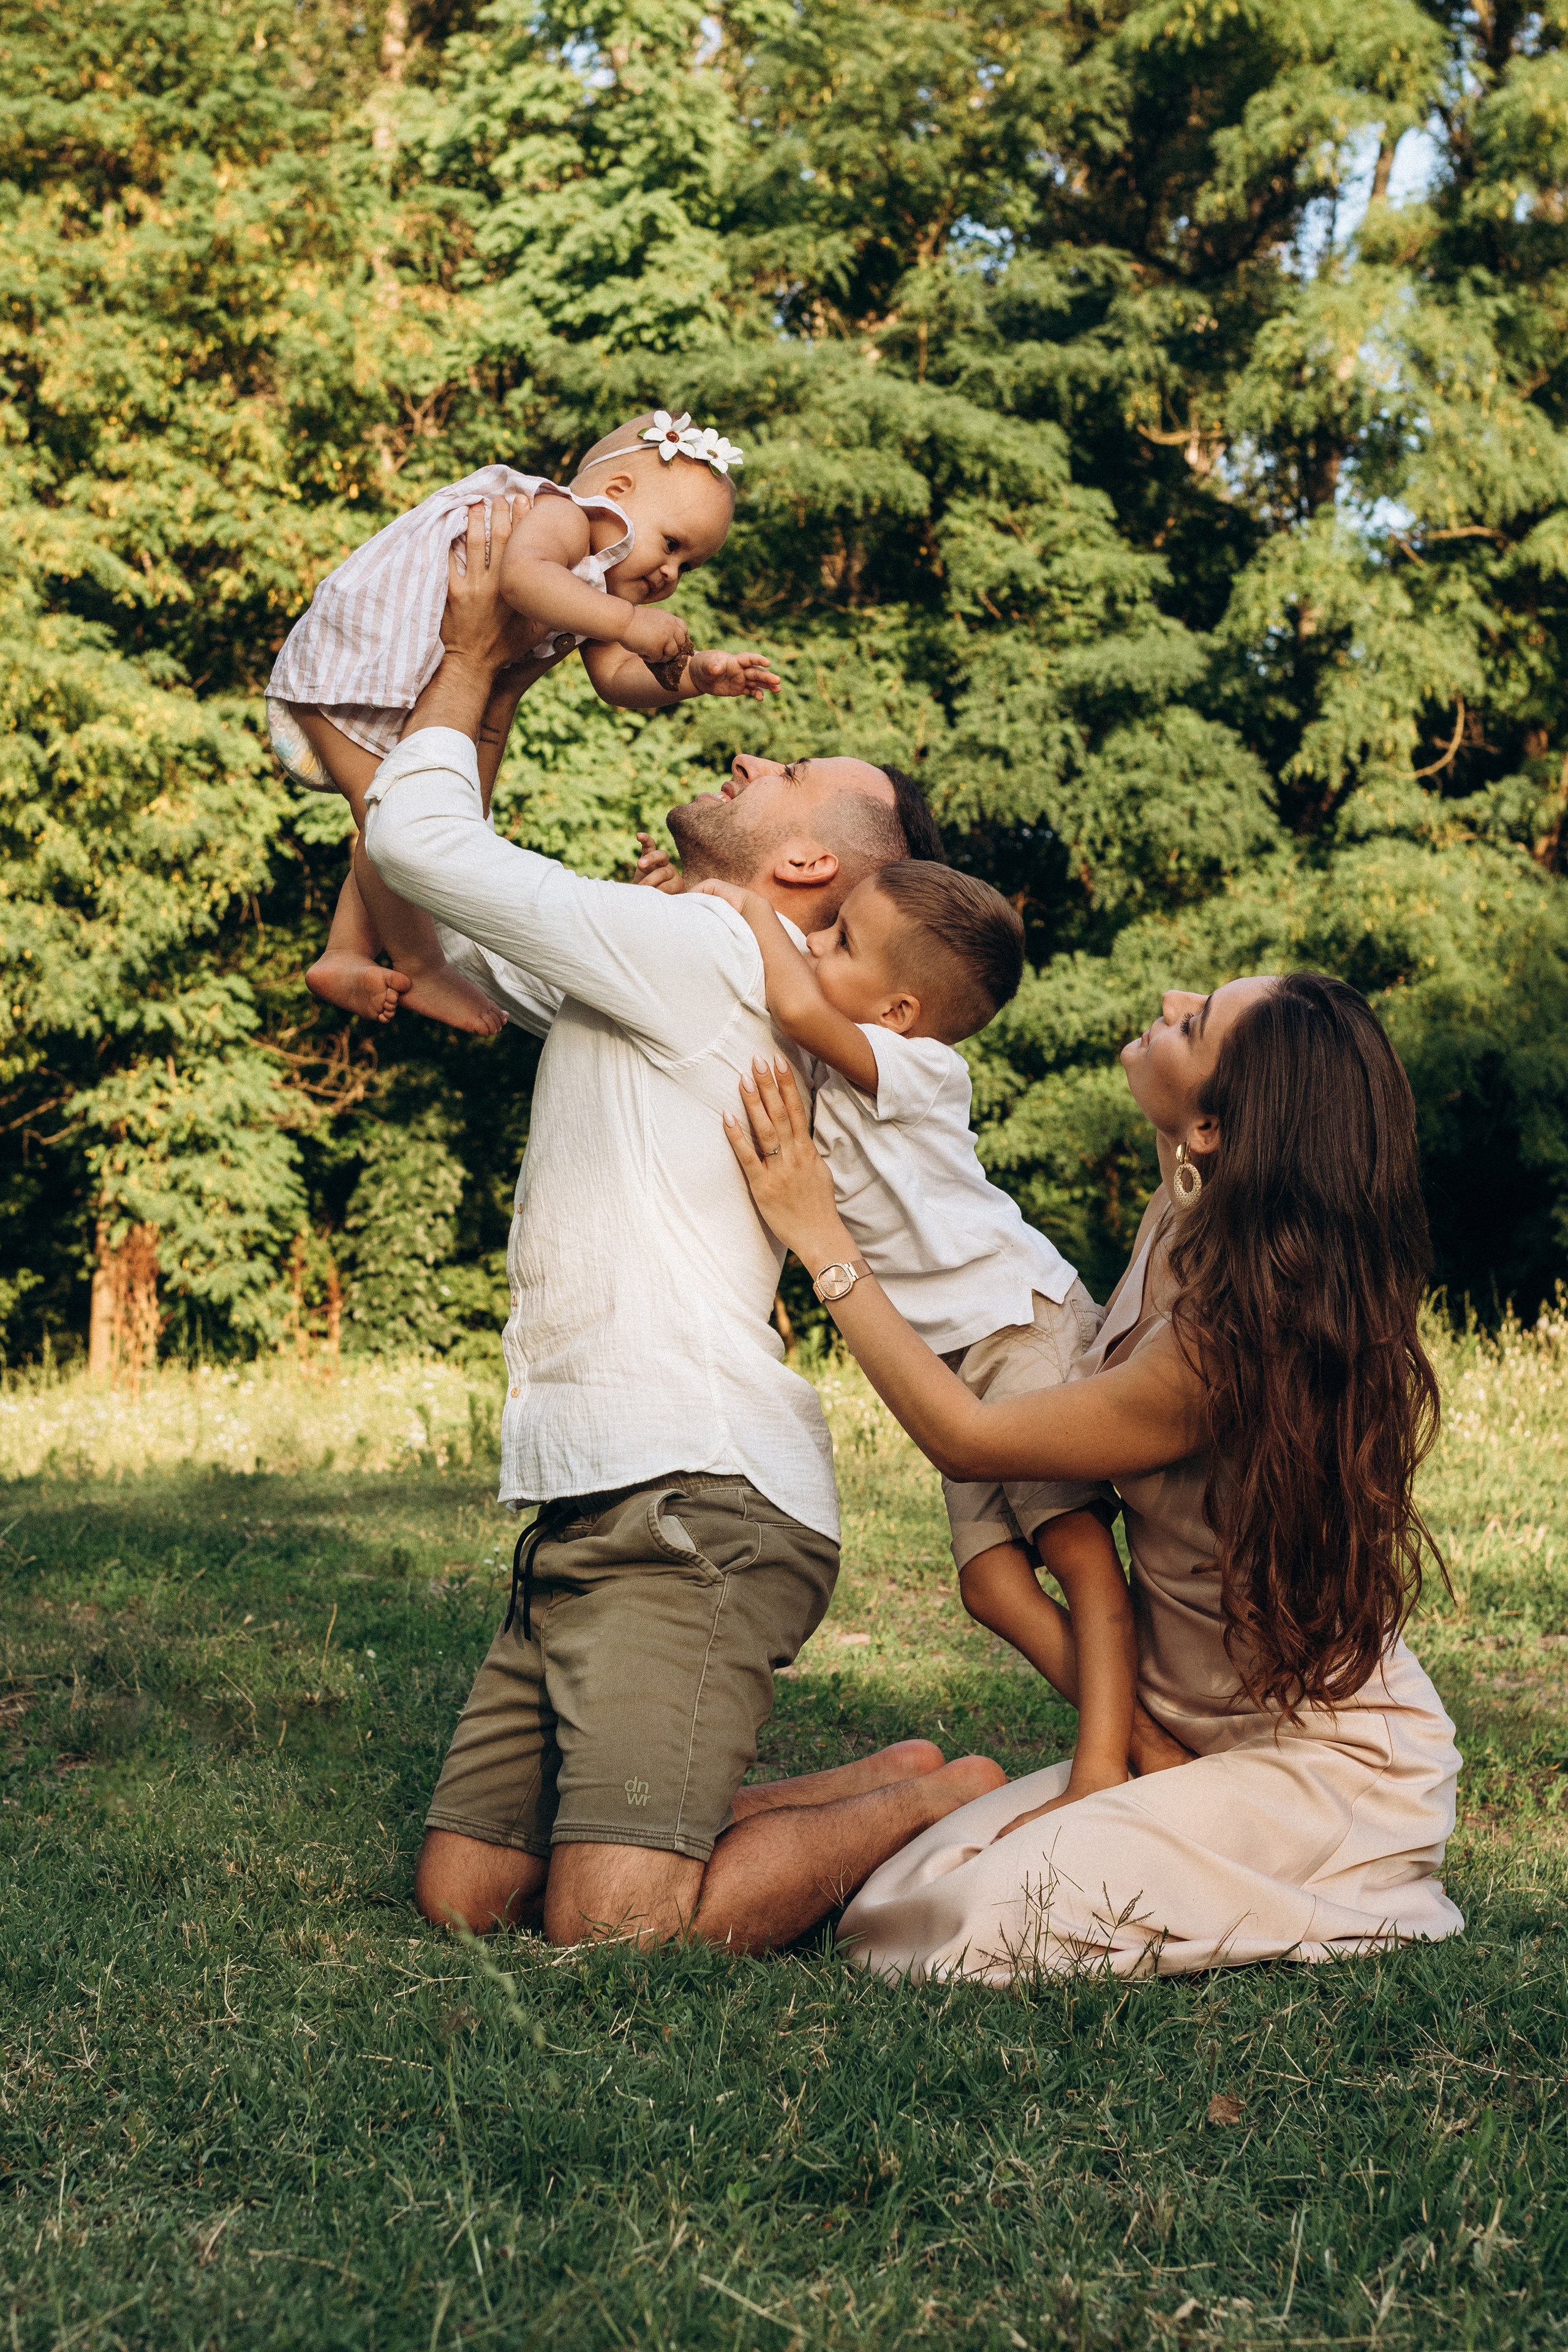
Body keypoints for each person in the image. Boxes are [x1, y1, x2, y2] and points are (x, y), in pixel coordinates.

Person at [360, 496, 1005, 1952]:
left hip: (693, 1503)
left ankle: (936, 1795)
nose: (749, 752)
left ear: (805, 873)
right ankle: (873, 1777)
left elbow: (412, 830)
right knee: (465, 1899)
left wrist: (471, 648)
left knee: (614, 1931)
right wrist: (509, 681)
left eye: (789, 772)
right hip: (599, 1496)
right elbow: (447, 924)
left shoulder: (699, 948)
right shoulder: (662, 952)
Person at [721, 973, 1464, 1981]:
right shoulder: (1186, 1212)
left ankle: (1357, 1879)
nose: (1167, 996)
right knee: (907, 1893)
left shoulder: (1232, 1343)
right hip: (1196, 1739)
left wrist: (822, 1241)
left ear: (1211, 1126)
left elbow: (972, 1440)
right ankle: (1047, 1796)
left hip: (1326, 1768)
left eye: (1193, 1022)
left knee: (961, 1927)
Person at [687, 861, 1136, 1812]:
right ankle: (1151, 1736)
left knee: (1074, 1550)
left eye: (841, 938)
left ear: (899, 1010)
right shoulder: (840, 1049)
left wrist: (748, 904)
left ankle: (1108, 1760)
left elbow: (802, 1010)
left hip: (1019, 1323)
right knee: (991, 1589)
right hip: (953, 1360)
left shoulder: (926, 1068)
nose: (813, 942)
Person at [267, 409, 780, 1034]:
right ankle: (419, 962)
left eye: (689, 566)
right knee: (393, 819)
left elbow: (615, 679)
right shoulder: (560, 516)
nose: (671, 573)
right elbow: (522, 578)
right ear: (616, 496)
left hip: (397, 694)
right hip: (355, 671)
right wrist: (627, 624)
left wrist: (696, 677)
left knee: (397, 815)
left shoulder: (603, 594)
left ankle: (344, 952)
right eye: (671, 544)